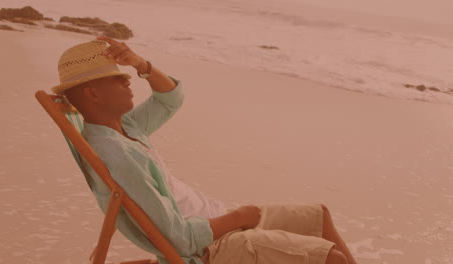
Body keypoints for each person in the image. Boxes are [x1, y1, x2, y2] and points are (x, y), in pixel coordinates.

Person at [51, 37, 357, 264]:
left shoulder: (127, 127)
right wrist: (237, 218)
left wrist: (142, 65)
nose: (129, 82)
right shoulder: (117, 155)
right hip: (211, 246)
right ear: (92, 93)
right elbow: (178, 239)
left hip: (218, 219)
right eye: (119, 79)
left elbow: (170, 98)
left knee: (319, 216)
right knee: (332, 260)